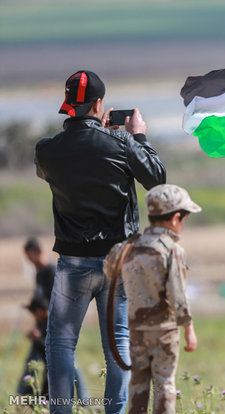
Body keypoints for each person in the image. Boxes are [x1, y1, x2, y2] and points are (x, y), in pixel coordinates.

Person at [35, 70, 167, 414]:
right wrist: (136, 137)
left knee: (61, 344)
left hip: (72, 260)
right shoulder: (121, 143)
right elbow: (156, 179)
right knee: (118, 344)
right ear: (99, 104)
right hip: (118, 259)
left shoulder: (47, 151)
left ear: (69, 105)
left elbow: (55, 167)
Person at [103, 184, 200, 414]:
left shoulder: (128, 246)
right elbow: (177, 293)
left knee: (138, 383)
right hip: (164, 331)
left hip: (136, 329)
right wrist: (188, 328)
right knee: (164, 383)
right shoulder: (171, 250)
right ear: (176, 218)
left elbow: (109, 269)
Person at [18, 237, 89, 399]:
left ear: (36, 252)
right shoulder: (39, 274)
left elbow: (58, 303)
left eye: (29, 256)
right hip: (44, 325)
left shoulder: (52, 271)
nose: (28, 260)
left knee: (70, 362)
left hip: (57, 324)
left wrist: (44, 319)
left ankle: (84, 399)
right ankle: (27, 395)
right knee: (37, 359)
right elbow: (42, 300)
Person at [17, 294, 50, 398]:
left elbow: (53, 346)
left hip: (52, 363)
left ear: (39, 311)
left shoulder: (53, 321)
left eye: (34, 314)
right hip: (46, 363)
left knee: (48, 391)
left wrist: (39, 338)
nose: (34, 317)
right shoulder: (41, 320)